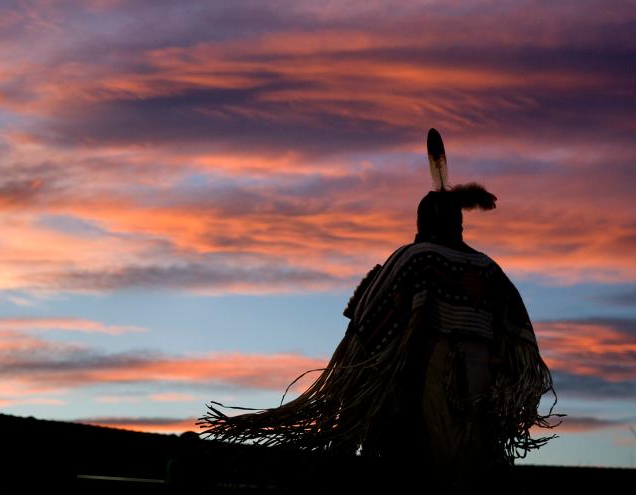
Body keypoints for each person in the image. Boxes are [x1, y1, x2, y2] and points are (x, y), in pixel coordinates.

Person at [199, 129, 557, 491]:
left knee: (414, 462)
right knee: (465, 467)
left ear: (422, 222)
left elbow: (370, 324)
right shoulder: (489, 269)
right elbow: (519, 336)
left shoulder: (413, 258)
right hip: (479, 384)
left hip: (424, 373)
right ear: (457, 221)